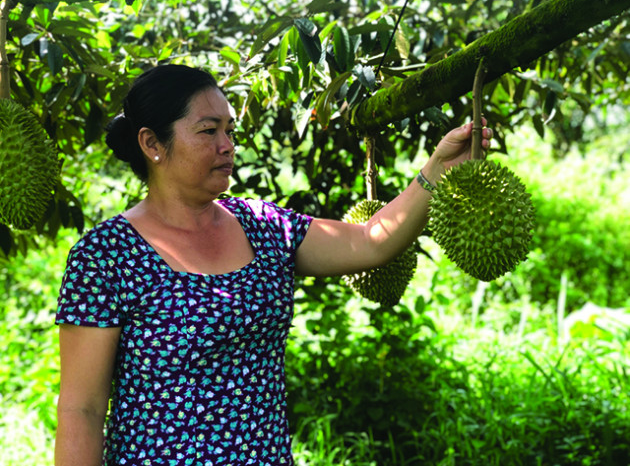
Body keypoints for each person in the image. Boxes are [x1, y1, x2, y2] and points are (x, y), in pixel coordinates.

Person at [54, 64, 492, 466]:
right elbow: (82, 408)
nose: (228, 147)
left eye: (229, 130)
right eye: (209, 131)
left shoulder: (262, 225)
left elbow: (369, 243)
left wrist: (437, 168)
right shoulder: (105, 256)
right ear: (152, 143)